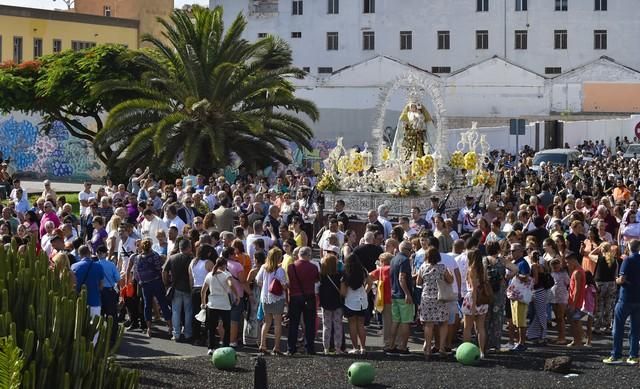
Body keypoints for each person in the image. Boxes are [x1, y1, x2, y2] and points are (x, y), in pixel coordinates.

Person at [603, 239, 640, 365]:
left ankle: (616, 355)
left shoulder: (628, 260)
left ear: (629, 247)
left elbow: (622, 279)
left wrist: (617, 280)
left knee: (618, 328)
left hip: (625, 298)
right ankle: (633, 356)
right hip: (638, 298)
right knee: (635, 329)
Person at [131, 238, 173, 338]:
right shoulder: (154, 255)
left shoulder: (137, 258)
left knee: (147, 306)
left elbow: (136, 273)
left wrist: (140, 281)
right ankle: (170, 328)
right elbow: (159, 268)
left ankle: (149, 329)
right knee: (163, 304)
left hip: (145, 284)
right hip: (156, 282)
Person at [416, 247, 453, 360]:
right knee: (443, 323)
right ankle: (441, 348)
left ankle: (427, 349)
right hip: (440, 297)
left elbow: (418, 282)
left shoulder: (423, 267)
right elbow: (450, 280)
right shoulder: (442, 267)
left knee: (428, 324)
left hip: (427, 297)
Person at [201, 257, 238, 355]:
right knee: (226, 327)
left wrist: (203, 302)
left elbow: (203, 290)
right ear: (225, 265)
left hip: (212, 303)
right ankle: (225, 347)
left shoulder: (209, 275)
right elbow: (230, 285)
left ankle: (211, 347)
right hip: (224, 304)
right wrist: (237, 295)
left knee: (211, 327)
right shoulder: (226, 274)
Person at [286, 246, 319, 355]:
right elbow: (316, 280)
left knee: (293, 323)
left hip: (294, 296)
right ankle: (309, 347)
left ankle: (291, 348)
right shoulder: (313, 267)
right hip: (309, 296)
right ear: (308, 255)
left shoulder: (291, 267)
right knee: (309, 323)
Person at [256, 248, 287, 355]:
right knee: (278, 323)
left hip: (265, 297)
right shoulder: (280, 270)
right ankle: (276, 347)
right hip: (277, 298)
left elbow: (258, 281)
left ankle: (262, 345)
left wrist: (265, 287)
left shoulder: (263, 268)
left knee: (267, 322)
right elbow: (283, 284)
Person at [386, 241, 414, 356]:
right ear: (406, 250)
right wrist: (407, 293)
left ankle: (391, 345)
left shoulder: (393, 259)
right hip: (403, 295)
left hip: (394, 294)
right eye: (411, 250)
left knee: (395, 321)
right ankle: (403, 347)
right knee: (405, 322)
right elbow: (402, 278)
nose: (411, 252)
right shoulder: (405, 260)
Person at [163, 239, 194, 342]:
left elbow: (164, 270)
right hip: (188, 288)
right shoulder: (191, 259)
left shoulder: (172, 258)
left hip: (175, 287)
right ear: (188, 247)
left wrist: (166, 283)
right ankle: (188, 333)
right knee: (188, 311)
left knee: (176, 311)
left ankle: (176, 334)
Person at [460, 248, 489, 358]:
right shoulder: (483, 269)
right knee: (481, 327)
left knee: (467, 327)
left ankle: (465, 351)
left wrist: (473, 305)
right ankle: (482, 351)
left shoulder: (471, 269)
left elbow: (473, 289)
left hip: (472, 299)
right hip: (483, 299)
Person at [341, 254, 372, 355]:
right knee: (361, 325)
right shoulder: (363, 270)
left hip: (350, 301)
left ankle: (355, 348)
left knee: (352, 325)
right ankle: (363, 348)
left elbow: (343, 292)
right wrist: (365, 292)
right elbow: (370, 283)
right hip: (362, 301)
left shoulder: (346, 272)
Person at [588, 242, 618, 334]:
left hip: (600, 283)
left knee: (599, 305)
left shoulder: (599, 258)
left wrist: (597, 248)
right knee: (608, 306)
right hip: (611, 284)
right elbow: (616, 274)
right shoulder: (614, 260)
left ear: (601, 249)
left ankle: (597, 327)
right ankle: (608, 327)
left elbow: (589, 255)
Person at [318, 253, 343, 355]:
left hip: (325, 303)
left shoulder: (322, 276)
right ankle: (337, 348)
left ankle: (326, 348)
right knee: (338, 325)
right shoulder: (340, 275)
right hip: (337, 302)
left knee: (326, 326)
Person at [71, 245, 105, 319]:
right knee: (95, 328)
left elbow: (72, 285)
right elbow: (101, 286)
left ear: (79, 254)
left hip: (78, 302)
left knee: (79, 328)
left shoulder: (74, 266)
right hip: (94, 301)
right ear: (89, 253)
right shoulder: (98, 266)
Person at [508, 243, 531, 351]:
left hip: (521, 295)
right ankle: (519, 342)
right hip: (515, 295)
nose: (511, 253)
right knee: (516, 320)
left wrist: (515, 274)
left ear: (520, 251)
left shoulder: (523, 263)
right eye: (511, 251)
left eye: (513, 251)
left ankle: (522, 342)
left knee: (521, 320)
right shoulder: (515, 262)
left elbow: (526, 277)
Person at [96, 245, 120, 343]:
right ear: (106, 253)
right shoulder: (111, 265)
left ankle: (99, 337)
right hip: (110, 291)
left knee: (100, 315)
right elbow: (117, 278)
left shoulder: (96, 265)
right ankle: (112, 338)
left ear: (97, 254)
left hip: (99, 292)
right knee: (112, 316)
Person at [370, 252, 393, 350]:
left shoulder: (380, 270)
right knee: (396, 322)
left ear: (382, 261)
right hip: (395, 298)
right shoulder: (393, 269)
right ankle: (397, 342)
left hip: (384, 299)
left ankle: (388, 343)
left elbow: (369, 276)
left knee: (387, 323)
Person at [566, 252, 586, 347]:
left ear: (573, 260)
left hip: (576, 302)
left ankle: (577, 341)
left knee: (575, 321)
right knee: (574, 321)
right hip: (574, 301)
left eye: (568, 262)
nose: (567, 264)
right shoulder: (577, 271)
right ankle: (576, 340)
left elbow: (577, 290)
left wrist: (573, 304)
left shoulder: (578, 272)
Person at [549, 258, 570, 344]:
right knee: (557, 318)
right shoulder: (551, 274)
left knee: (561, 318)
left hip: (562, 297)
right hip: (553, 297)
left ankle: (562, 337)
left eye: (557, 265)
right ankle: (559, 336)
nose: (555, 267)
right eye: (554, 266)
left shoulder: (564, 274)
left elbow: (568, 283)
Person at [582, 271, 597, 347]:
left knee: (589, 326)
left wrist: (595, 308)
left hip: (591, 308)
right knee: (576, 319)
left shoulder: (591, 286)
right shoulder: (584, 286)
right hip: (584, 307)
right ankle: (583, 334)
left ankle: (589, 341)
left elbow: (596, 298)